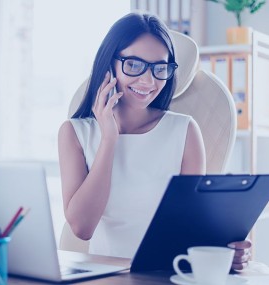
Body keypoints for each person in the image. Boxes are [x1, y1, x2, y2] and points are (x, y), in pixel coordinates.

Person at [58, 11, 251, 270]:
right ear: (109, 64)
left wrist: (226, 249)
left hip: (167, 274)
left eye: (160, 68)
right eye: (134, 65)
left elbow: (192, 223)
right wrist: (109, 140)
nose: (148, 81)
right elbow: (82, 228)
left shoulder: (185, 131)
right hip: (106, 276)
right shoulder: (74, 133)